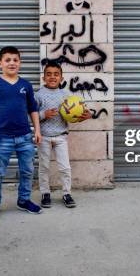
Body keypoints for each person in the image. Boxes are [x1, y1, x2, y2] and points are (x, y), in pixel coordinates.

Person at [0, 46, 42, 222]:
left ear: (20, 63)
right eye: (7, 60)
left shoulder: (25, 85)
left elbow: (33, 109)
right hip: (3, 138)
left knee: (27, 171)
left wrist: (37, 130)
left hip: (25, 137)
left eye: (15, 60)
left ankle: (23, 200)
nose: (12, 63)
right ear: (0, 63)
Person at [35, 61, 91, 208]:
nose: (52, 77)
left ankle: (67, 193)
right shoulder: (38, 95)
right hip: (44, 137)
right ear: (43, 78)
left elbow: (74, 115)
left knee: (65, 167)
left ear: (61, 78)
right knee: (44, 167)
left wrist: (84, 116)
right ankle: (45, 193)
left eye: (56, 74)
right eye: (48, 74)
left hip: (61, 136)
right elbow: (32, 115)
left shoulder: (67, 95)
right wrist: (43, 114)